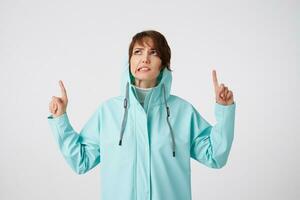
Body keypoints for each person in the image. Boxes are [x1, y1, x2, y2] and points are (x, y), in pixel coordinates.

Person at [48, 30, 236, 200]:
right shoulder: (108, 112)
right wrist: (60, 119)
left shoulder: (183, 112)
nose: (144, 58)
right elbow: (81, 161)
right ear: (129, 61)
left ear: (163, 65)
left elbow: (215, 156)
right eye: (138, 52)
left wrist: (224, 110)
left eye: (153, 53)